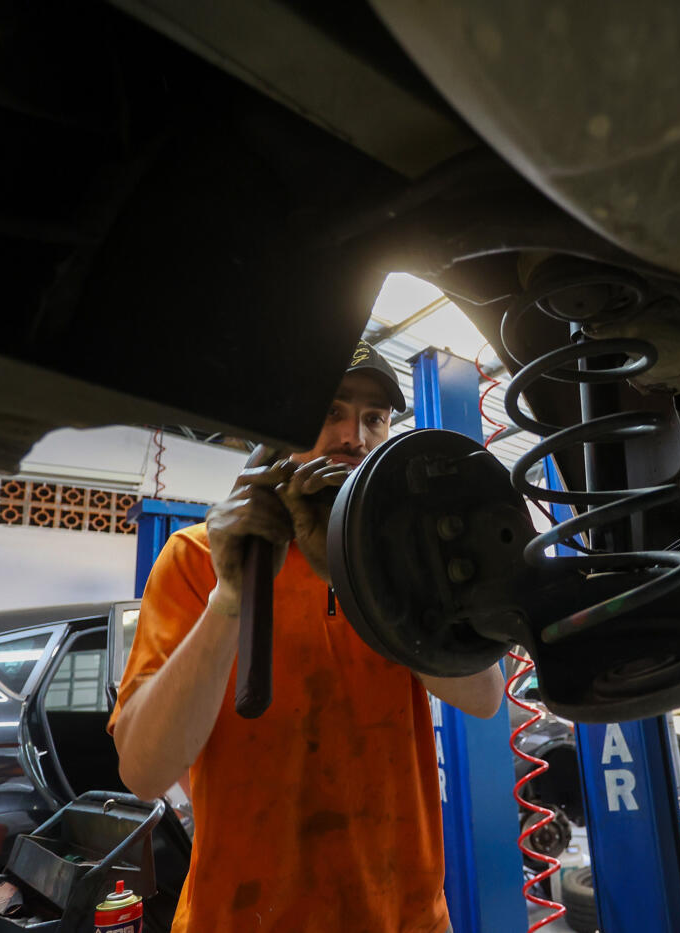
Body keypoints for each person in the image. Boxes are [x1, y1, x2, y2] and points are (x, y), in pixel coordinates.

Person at [109, 340, 503, 932]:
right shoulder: (196, 559)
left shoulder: (404, 560)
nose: (353, 436)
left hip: (406, 918)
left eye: (374, 418)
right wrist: (231, 598)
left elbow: (485, 696)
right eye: (329, 412)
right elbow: (143, 771)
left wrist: (367, 579)